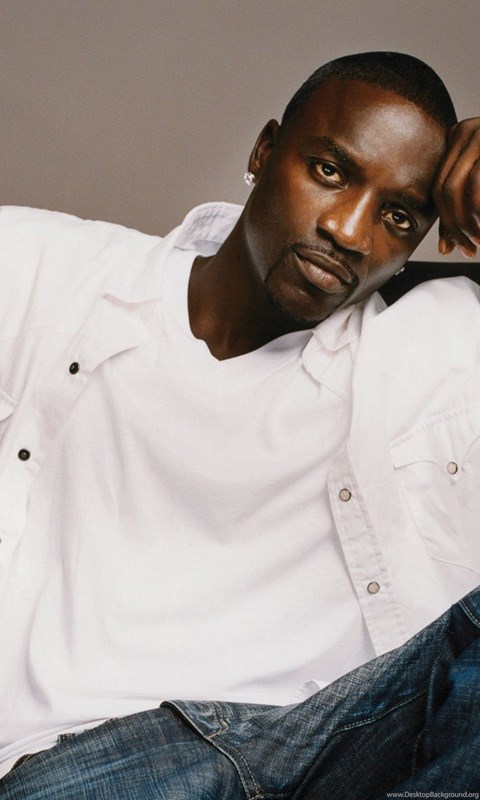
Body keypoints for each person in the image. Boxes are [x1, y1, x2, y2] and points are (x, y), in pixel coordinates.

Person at [0, 51, 479, 798]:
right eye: (330, 171)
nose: (350, 231)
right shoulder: (42, 271)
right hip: (84, 765)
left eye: (397, 217)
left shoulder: (438, 347)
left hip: (328, 751)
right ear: (263, 152)